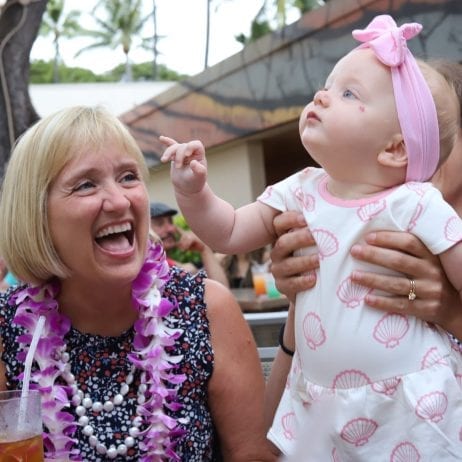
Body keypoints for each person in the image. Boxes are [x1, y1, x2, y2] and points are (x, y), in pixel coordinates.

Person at [160, 15, 462, 459]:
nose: (321, 95)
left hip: (408, 402)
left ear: (395, 148)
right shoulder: (301, 189)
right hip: (318, 396)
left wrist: (448, 305)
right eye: (329, 83)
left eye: (348, 93)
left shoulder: (415, 203)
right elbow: (227, 232)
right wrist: (194, 190)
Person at [0, 106, 277, 461]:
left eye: (129, 177)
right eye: (86, 184)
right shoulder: (11, 327)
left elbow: (253, 455)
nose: (119, 201)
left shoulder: (205, 309)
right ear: (36, 213)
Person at [150, 201, 230, 287]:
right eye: (159, 224)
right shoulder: (152, 265)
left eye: (170, 222)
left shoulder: (166, 263)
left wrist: (204, 249)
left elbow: (221, 289)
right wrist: (205, 251)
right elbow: (221, 288)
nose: (171, 229)